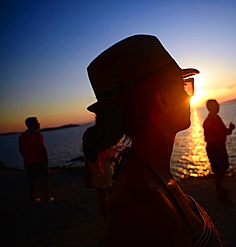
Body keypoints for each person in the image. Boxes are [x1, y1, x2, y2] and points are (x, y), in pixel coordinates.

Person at [83, 34, 222, 246]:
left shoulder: (145, 169)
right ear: (163, 99)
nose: (189, 96)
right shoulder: (141, 202)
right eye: (183, 87)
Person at [203, 99, 235, 199]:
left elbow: (224, 132)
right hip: (214, 147)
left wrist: (230, 129)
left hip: (220, 146)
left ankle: (220, 188)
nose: (218, 107)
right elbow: (220, 134)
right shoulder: (209, 122)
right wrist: (228, 131)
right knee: (218, 169)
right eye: (216, 105)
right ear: (210, 108)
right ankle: (219, 191)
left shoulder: (217, 118)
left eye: (218, 105)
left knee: (223, 168)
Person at [18, 117, 55, 204]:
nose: (39, 123)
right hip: (40, 161)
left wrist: (26, 157)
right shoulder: (38, 135)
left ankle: (33, 199)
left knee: (31, 181)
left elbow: (21, 150)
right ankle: (48, 198)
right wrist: (46, 162)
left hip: (28, 163)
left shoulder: (22, 137)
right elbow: (43, 149)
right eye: (37, 122)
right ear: (32, 124)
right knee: (45, 180)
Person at [83, 127, 116, 221]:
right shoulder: (105, 151)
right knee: (114, 198)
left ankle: (106, 219)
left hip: (97, 181)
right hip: (109, 178)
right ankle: (114, 218)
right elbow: (113, 159)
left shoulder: (88, 153)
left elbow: (88, 168)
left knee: (103, 202)